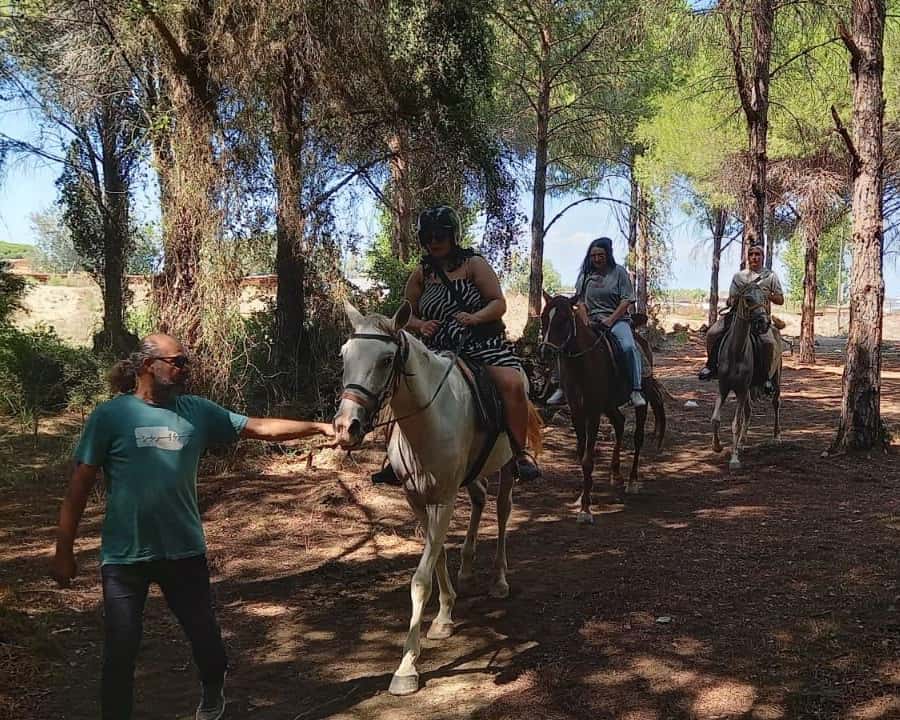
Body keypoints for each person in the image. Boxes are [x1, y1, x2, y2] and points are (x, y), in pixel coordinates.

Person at [50, 333, 335, 720]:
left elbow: (258, 427)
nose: (187, 369)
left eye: (186, 362)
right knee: (120, 651)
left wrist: (318, 427)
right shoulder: (110, 416)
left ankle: (213, 692)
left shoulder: (196, 411)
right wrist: (63, 552)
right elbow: (79, 487)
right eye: (179, 362)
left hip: (183, 551)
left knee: (207, 641)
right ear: (148, 365)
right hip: (124, 557)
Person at [373, 205, 540, 484]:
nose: (434, 241)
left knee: (512, 384)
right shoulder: (421, 274)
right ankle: (396, 455)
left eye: (440, 235)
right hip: (436, 348)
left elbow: (498, 303)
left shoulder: (474, 264)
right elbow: (405, 314)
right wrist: (420, 325)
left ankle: (519, 453)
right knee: (401, 387)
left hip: (481, 345)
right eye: (428, 236)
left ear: (453, 236)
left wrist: (475, 318)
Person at [546, 237, 645, 408]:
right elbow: (580, 300)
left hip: (617, 320)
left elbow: (626, 300)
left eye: (600, 255)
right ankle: (561, 387)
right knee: (564, 344)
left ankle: (635, 389)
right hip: (590, 320)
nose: (597, 259)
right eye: (593, 256)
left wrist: (610, 320)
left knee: (628, 347)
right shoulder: (585, 275)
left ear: (608, 255)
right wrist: (584, 319)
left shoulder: (619, 272)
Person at [698, 243, 784, 392]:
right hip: (737, 317)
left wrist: (767, 295)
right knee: (712, 333)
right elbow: (730, 300)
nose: (754, 257)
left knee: (769, 343)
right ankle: (711, 366)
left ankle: (765, 378)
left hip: (760, 318)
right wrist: (734, 299)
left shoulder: (770, 276)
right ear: (747, 258)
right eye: (751, 254)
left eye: (757, 254)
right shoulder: (739, 277)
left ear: (763, 257)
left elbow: (780, 300)